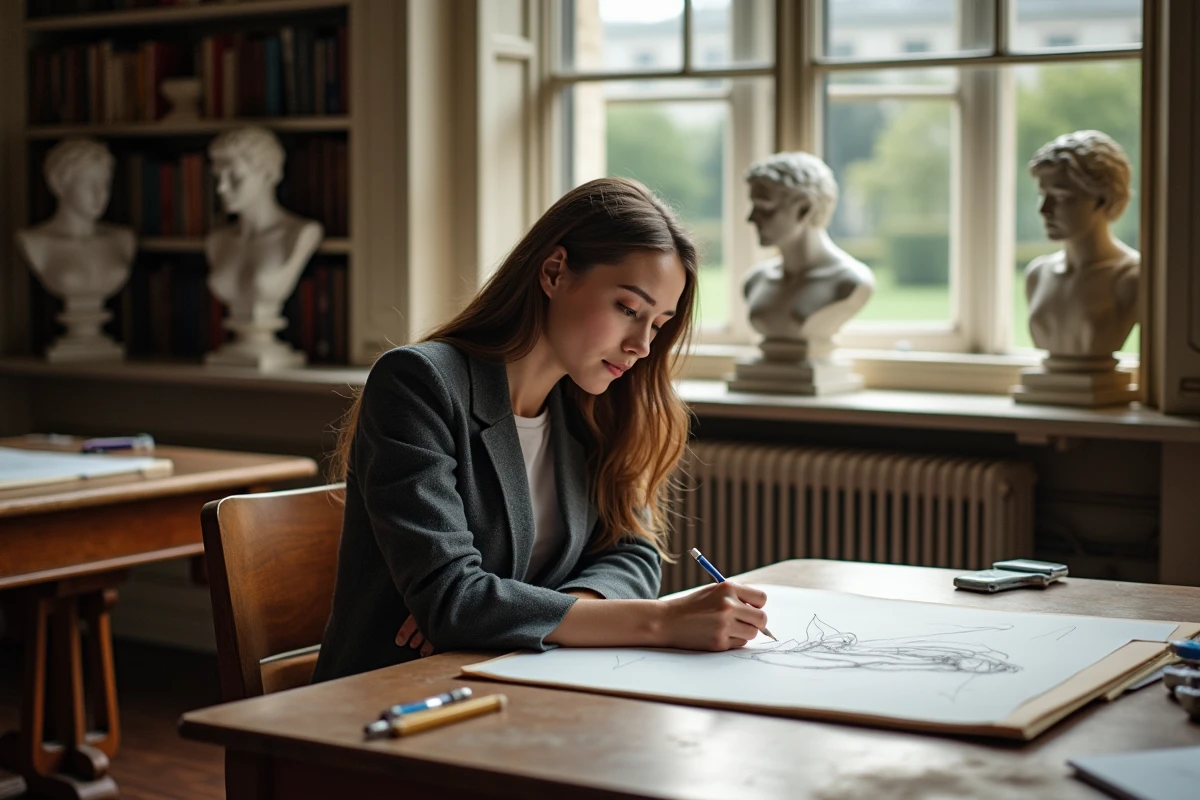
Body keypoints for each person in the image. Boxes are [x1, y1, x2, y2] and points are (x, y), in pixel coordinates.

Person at [312, 178, 770, 682]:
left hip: (526, 679)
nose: (642, 345)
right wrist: (660, 621)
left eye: (658, 324)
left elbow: (632, 554)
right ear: (554, 272)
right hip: (397, 691)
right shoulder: (419, 383)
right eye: (627, 309)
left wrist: (514, 615)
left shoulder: (601, 405)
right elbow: (453, 602)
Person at [1024, 130, 1139, 359]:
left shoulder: (1134, 279)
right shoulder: (1037, 275)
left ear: (1103, 200)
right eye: (1042, 195)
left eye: (1062, 197)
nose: (1044, 210)